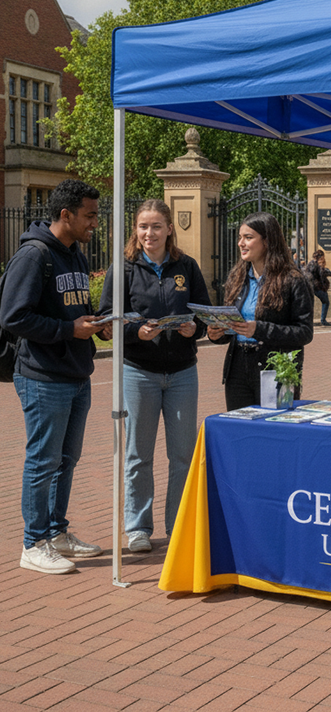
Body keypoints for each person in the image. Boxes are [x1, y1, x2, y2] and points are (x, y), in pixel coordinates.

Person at [0, 179, 111, 574]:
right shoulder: (34, 255)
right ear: (66, 214)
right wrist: (68, 330)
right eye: (90, 215)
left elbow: (72, 308)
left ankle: (56, 532)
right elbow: (13, 317)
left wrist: (96, 325)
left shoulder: (75, 253)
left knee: (67, 459)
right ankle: (33, 544)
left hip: (77, 372)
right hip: (43, 376)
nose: (95, 223)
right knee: (43, 460)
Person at [98, 200, 210, 553]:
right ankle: (138, 528)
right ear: (136, 229)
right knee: (138, 455)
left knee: (182, 455)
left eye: (157, 226)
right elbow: (107, 321)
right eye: (143, 226)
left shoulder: (186, 266)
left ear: (169, 229)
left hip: (182, 373)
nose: (150, 233)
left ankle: (178, 525)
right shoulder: (124, 268)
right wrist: (136, 333)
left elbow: (204, 313)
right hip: (139, 372)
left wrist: (195, 329)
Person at [208, 212, 314, 410]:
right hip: (238, 368)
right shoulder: (237, 278)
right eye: (240, 237)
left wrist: (259, 329)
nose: (241, 243)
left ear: (267, 241)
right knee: (240, 425)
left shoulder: (293, 279)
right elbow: (233, 326)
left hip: (276, 369)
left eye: (248, 238)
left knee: (274, 426)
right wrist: (217, 334)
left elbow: (304, 332)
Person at [306, 249, 331, 327]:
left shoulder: (310, 264)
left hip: (310, 286)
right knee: (325, 302)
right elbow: (321, 275)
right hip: (317, 287)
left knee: (310, 304)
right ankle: (323, 320)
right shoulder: (317, 265)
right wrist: (323, 268)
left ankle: (309, 320)